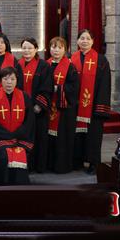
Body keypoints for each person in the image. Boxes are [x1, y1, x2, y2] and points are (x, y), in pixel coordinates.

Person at [71, 29, 111, 174]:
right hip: (75, 105)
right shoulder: (71, 59)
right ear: (77, 41)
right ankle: (77, 161)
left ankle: (94, 163)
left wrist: (100, 107)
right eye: (82, 38)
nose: (85, 41)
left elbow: (105, 85)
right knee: (76, 135)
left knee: (93, 136)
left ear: (93, 41)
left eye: (88, 38)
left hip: (93, 105)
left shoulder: (101, 60)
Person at [0, 67, 35, 185]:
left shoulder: (25, 97)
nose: (9, 82)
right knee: (3, 155)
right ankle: (2, 185)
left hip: (20, 138)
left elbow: (29, 122)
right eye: (5, 79)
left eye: (12, 79)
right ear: (0, 80)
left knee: (20, 152)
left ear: (17, 81)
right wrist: (7, 136)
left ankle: (20, 187)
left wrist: (16, 135)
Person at [16, 37, 53, 173]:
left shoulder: (43, 66)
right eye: (24, 48)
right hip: (21, 110)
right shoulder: (17, 65)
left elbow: (47, 87)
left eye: (30, 48)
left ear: (36, 49)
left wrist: (39, 105)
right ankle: (26, 165)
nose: (27, 51)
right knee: (24, 138)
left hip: (38, 111)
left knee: (39, 138)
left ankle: (39, 166)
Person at [46, 37, 79, 174]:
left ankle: (62, 166)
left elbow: (73, 87)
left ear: (65, 49)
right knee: (48, 137)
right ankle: (47, 165)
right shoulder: (45, 64)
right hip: (47, 107)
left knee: (62, 138)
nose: (56, 50)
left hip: (64, 109)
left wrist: (57, 89)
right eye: (53, 47)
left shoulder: (70, 66)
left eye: (59, 47)